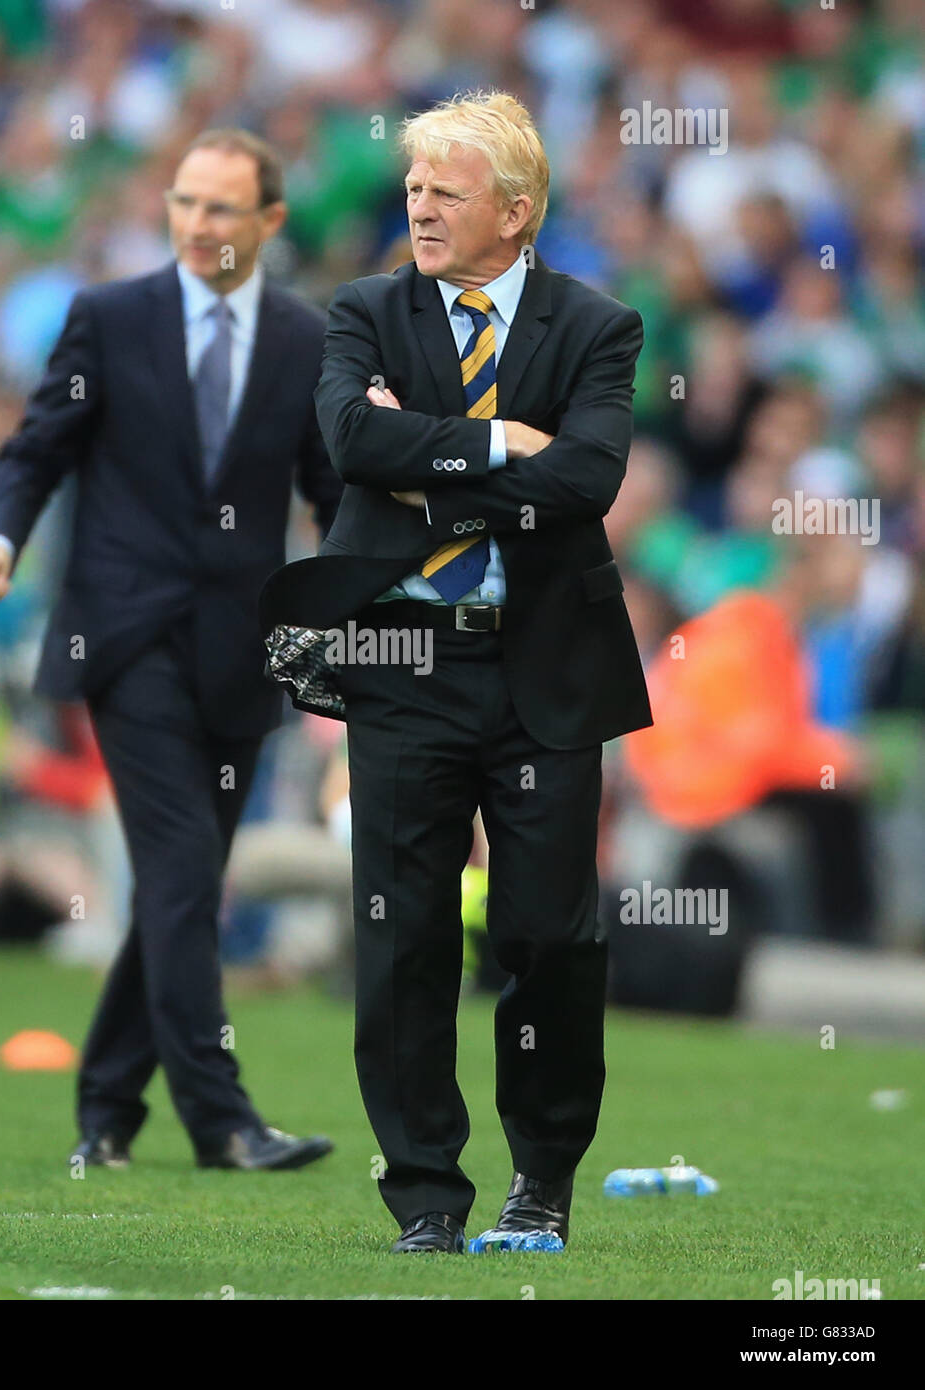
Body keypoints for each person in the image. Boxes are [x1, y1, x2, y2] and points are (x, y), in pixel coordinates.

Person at [260, 91, 651, 1251]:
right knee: (402, 934)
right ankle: (425, 1195)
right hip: (400, 662)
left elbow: (585, 483)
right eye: (414, 186)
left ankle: (542, 1176)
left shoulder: (597, 326)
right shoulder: (365, 311)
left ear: (516, 214)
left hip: (542, 671)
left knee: (545, 935)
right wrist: (494, 440)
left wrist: (423, 467)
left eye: (446, 191)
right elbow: (348, 445)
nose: (418, 207)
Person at [0, 128, 342, 1174]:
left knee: (183, 883)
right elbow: (37, 447)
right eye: (182, 202)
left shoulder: (307, 340)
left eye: (220, 208)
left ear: (269, 221)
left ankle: (104, 1109)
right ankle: (219, 1119)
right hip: (123, 638)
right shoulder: (108, 318)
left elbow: (328, 490)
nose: (195, 224)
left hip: (242, 651)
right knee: (178, 873)